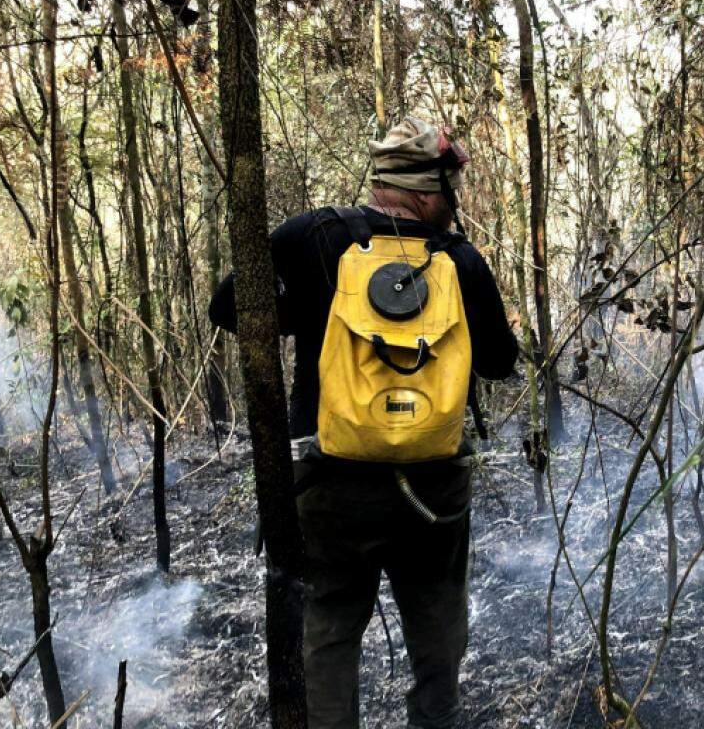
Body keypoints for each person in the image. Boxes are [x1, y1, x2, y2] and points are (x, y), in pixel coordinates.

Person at [209, 116, 518, 729]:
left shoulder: (312, 236)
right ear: (428, 193)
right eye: (450, 187)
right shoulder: (459, 260)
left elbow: (228, 306)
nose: (454, 202)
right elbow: (500, 362)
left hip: (330, 480)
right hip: (433, 490)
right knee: (436, 628)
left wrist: (315, 314)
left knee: (328, 628)